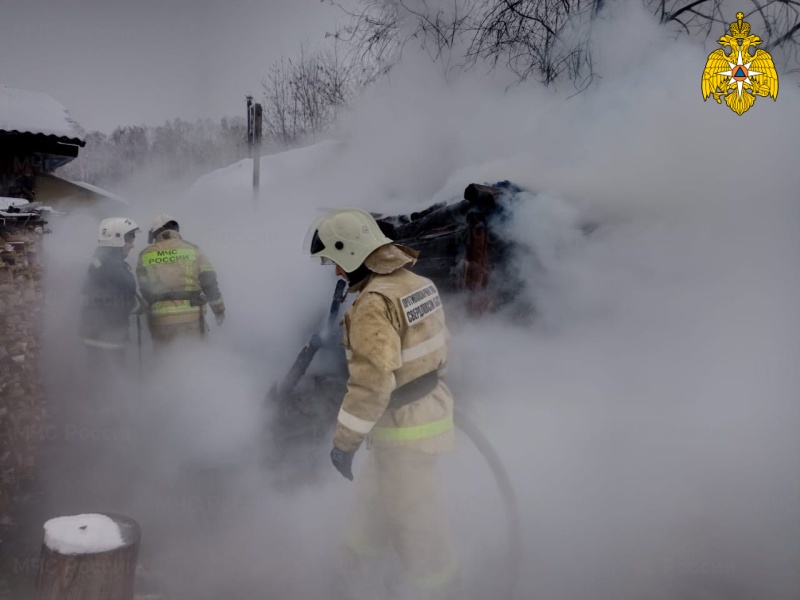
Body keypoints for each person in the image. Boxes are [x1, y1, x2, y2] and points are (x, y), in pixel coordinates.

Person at [307, 208, 459, 599]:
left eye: (337, 263)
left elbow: (371, 386)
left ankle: (439, 590)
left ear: (354, 252)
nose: (337, 273)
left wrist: (344, 443)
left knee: (417, 528)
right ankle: (351, 578)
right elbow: (438, 347)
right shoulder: (417, 282)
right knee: (373, 508)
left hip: (404, 431)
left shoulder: (374, 304)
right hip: (426, 412)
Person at [135, 213, 225, 347]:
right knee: (197, 358)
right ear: (175, 230)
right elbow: (209, 282)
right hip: (193, 318)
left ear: (155, 233)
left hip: (161, 321)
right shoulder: (193, 249)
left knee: (165, 361)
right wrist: (219, 310)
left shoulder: (145, 254)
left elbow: (144, 289)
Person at [79, 217, 144, 371]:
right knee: (109, 382)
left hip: (95, 332)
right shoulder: (112, 265)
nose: (132, 245)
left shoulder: (101, 260)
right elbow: (122, 297)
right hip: (108, 335)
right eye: (129, 240)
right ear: (118, 239)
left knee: (100, 380)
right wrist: (140, 305)